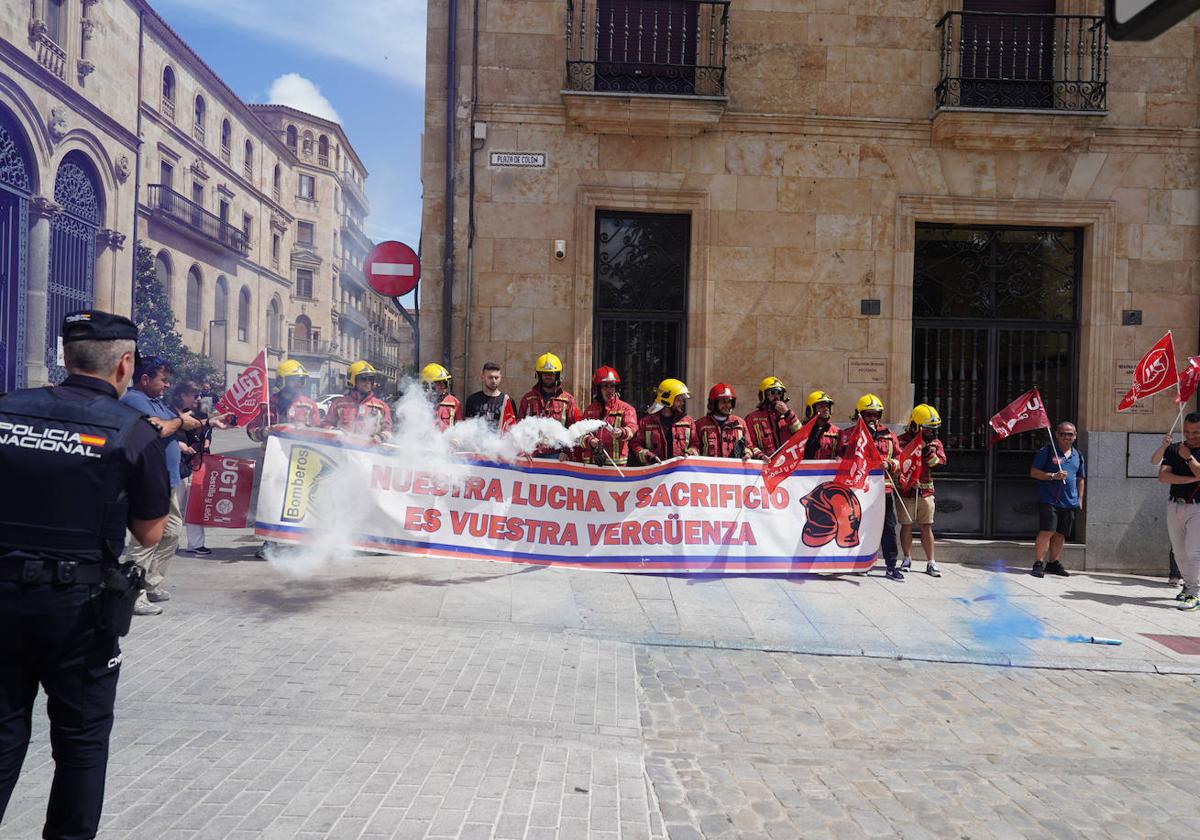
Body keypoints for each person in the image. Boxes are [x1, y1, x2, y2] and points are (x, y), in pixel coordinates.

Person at [0, 310, 169, 840]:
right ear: (125, 364)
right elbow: (150, 533)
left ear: (66, 357)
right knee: (81, 740)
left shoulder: (7, 411)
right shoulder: (132, 433)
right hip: (78, 609)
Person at [121, 354, 205, 615]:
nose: (167, 385)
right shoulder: (134, 401)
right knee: (145, 539)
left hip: (165, 480)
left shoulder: (155, 402)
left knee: (170, 534)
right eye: (163, 380)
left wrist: (213, 422)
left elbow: (180, 423)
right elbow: (159, 429)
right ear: (144, 379)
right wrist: (180, 422)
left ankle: (149, 583)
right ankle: (131, 595)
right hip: (147, 479)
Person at [842, 394, 903, 581]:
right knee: (858, 527)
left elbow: (901, 460)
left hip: (883, 491)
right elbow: (841, 459)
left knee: (889, 528)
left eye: (876, 415)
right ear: (859, 415)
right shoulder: (848, 435)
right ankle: (860, 563)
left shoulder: (889, 435)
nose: (873, 419)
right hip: (859, 491)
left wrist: (891, 464)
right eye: (868, 415)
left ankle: (891, 566)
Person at [172, 380, 230, 557]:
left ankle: (196, 544)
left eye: (200, 395)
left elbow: (206, 429)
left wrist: (207, 438)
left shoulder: (200, 412)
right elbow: (165, 434)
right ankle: (167, 542)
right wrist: (180, 445)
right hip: (178, 465)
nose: (199, 399)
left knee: (195, 504)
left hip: (198, 463)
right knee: (174, 506)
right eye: (195, 395)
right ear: (183, 395)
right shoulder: (170, 412)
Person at [896, 404, 948, 578]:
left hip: (926, 491)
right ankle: (907, 558)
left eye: (934, 429)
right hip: (906, 491)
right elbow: (897, 462)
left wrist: (927, 452)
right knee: (906, 525)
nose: (932, 433)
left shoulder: (935, 443)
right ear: (916, 425)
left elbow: (939, 464)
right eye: (927, 429)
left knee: (926, 526)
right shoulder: (901, 440)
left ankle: (931, 562)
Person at [1029, 421, 1086, 578]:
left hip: (1070, 501)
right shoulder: (1047, 451)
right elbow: (1034, 472)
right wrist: (1053, 476)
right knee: (1047, 531)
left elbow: (1080, 478)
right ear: (1056, 435)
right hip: (1050, 499)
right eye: (1063, 434)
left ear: (1075, 436)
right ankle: (1038, 563)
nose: (1066, 437)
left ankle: (1053, 563)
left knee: (1061, 534)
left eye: (1070, 434)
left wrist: (1080, 498)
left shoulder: (1078, 455)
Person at [1157, 414, 1200, 610]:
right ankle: (1188, 587)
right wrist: (1191, 479)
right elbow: (1164, 476)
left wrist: (1188, 458)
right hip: (1175, 505)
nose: (1191, 436)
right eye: (1187, 431)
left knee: (1193, 551)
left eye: (1196, 432)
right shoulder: (1175, 448)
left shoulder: (1186, 452)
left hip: (1198, 507)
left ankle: (1195, 592)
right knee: (1179, 551)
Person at [518, 352, 581, 458]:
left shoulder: (568, 401)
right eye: (544, 373)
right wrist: (524, 450)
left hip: (558, 456)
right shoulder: (528, 399)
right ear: (539, 375)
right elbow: (519, 428)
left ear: (557, 375)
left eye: (551, 373)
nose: (548, 376)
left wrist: (566, 452)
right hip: (533, 456)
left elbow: (574, 430)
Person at [246, 358, 320, 443]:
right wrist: (264, 432)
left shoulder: (309, 406)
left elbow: (319, 435)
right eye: (293, 380)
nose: (298, 384)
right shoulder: (267, 405)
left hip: (298, 453)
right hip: (271, 453)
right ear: (281, 381)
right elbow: (251, 430)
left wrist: (306, 429)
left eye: (301, 381)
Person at [577, 366, 638, 467]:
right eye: (605, 386)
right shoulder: (589, 411)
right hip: (592, 467)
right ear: (598, 389)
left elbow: (632, 428)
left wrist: (621, 432)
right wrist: (590, 441)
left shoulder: (626, 409)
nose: (609, 390)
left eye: (612, 386)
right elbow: (579, 435)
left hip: (616, 468)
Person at [322, 360, 393, 443]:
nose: (368, 382)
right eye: (363, 379)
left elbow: (388, 431)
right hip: (342, 451)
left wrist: (381, 437)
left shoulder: (381, 407)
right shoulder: (338, 404)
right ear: (353, 380)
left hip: (369, 453)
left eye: (371, 379)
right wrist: (335, 432)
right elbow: (325, 425)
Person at [631, 378, 698, 464]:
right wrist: (649, 457)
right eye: (679, 400)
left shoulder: (688, 422)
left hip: (680, 473)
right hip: (655, 473)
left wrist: (689, 453)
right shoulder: (646, 422)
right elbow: (636, 445)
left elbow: (696, 444)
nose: (682, 403)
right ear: (668, 400)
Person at [1151, 433, 1186, 589]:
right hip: (1180, 502)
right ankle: (1175, 573)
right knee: (1178, 541)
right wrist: (1164, 446)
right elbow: (1154, 461)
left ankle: (1191, 578)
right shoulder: (1175, 449)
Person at [695, 383, 760, 460]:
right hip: (709, 470)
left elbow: (749, 446)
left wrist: (748, 453)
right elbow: (695, 447)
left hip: (734, 470)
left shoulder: (740, 423)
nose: (727, 405)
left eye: (729, 401)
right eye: (723, 402)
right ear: (713, 403)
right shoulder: (700, 424)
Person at [746, 376, 802, 459]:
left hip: (786, 463)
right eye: (772, 392)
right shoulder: (752, 418)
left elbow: (801, 435)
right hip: (764, 463)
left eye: (779, 393)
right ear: (763, 395)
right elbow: (750, 444)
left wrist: (787, 413)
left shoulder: (789, 416)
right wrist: (761, 456)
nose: (776, 396)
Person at [463, 361, 517, 430]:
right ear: (483, 377)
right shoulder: (472, 400)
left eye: (496, 377)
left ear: (500, 378)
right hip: (477, 440)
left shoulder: (507, 401)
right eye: (490, 377)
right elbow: (468, 426)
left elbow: (512, 428)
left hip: (500, 440)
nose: (494, 381)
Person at [420, 363, 464, 430]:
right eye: (439, 383)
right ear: (427, 385)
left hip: (446, 439)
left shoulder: (454, 402)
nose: (443, 386)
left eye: (444, 383)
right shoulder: (419, 404)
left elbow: (460, 427)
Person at [802, 390, 840, 459]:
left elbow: (843, 453)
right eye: (822, 406)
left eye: (827, 406)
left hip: (827, 469)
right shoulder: (802, 430)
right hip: (805, 469)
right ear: (810, 410)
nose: (826, 409)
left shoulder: (837, 432)